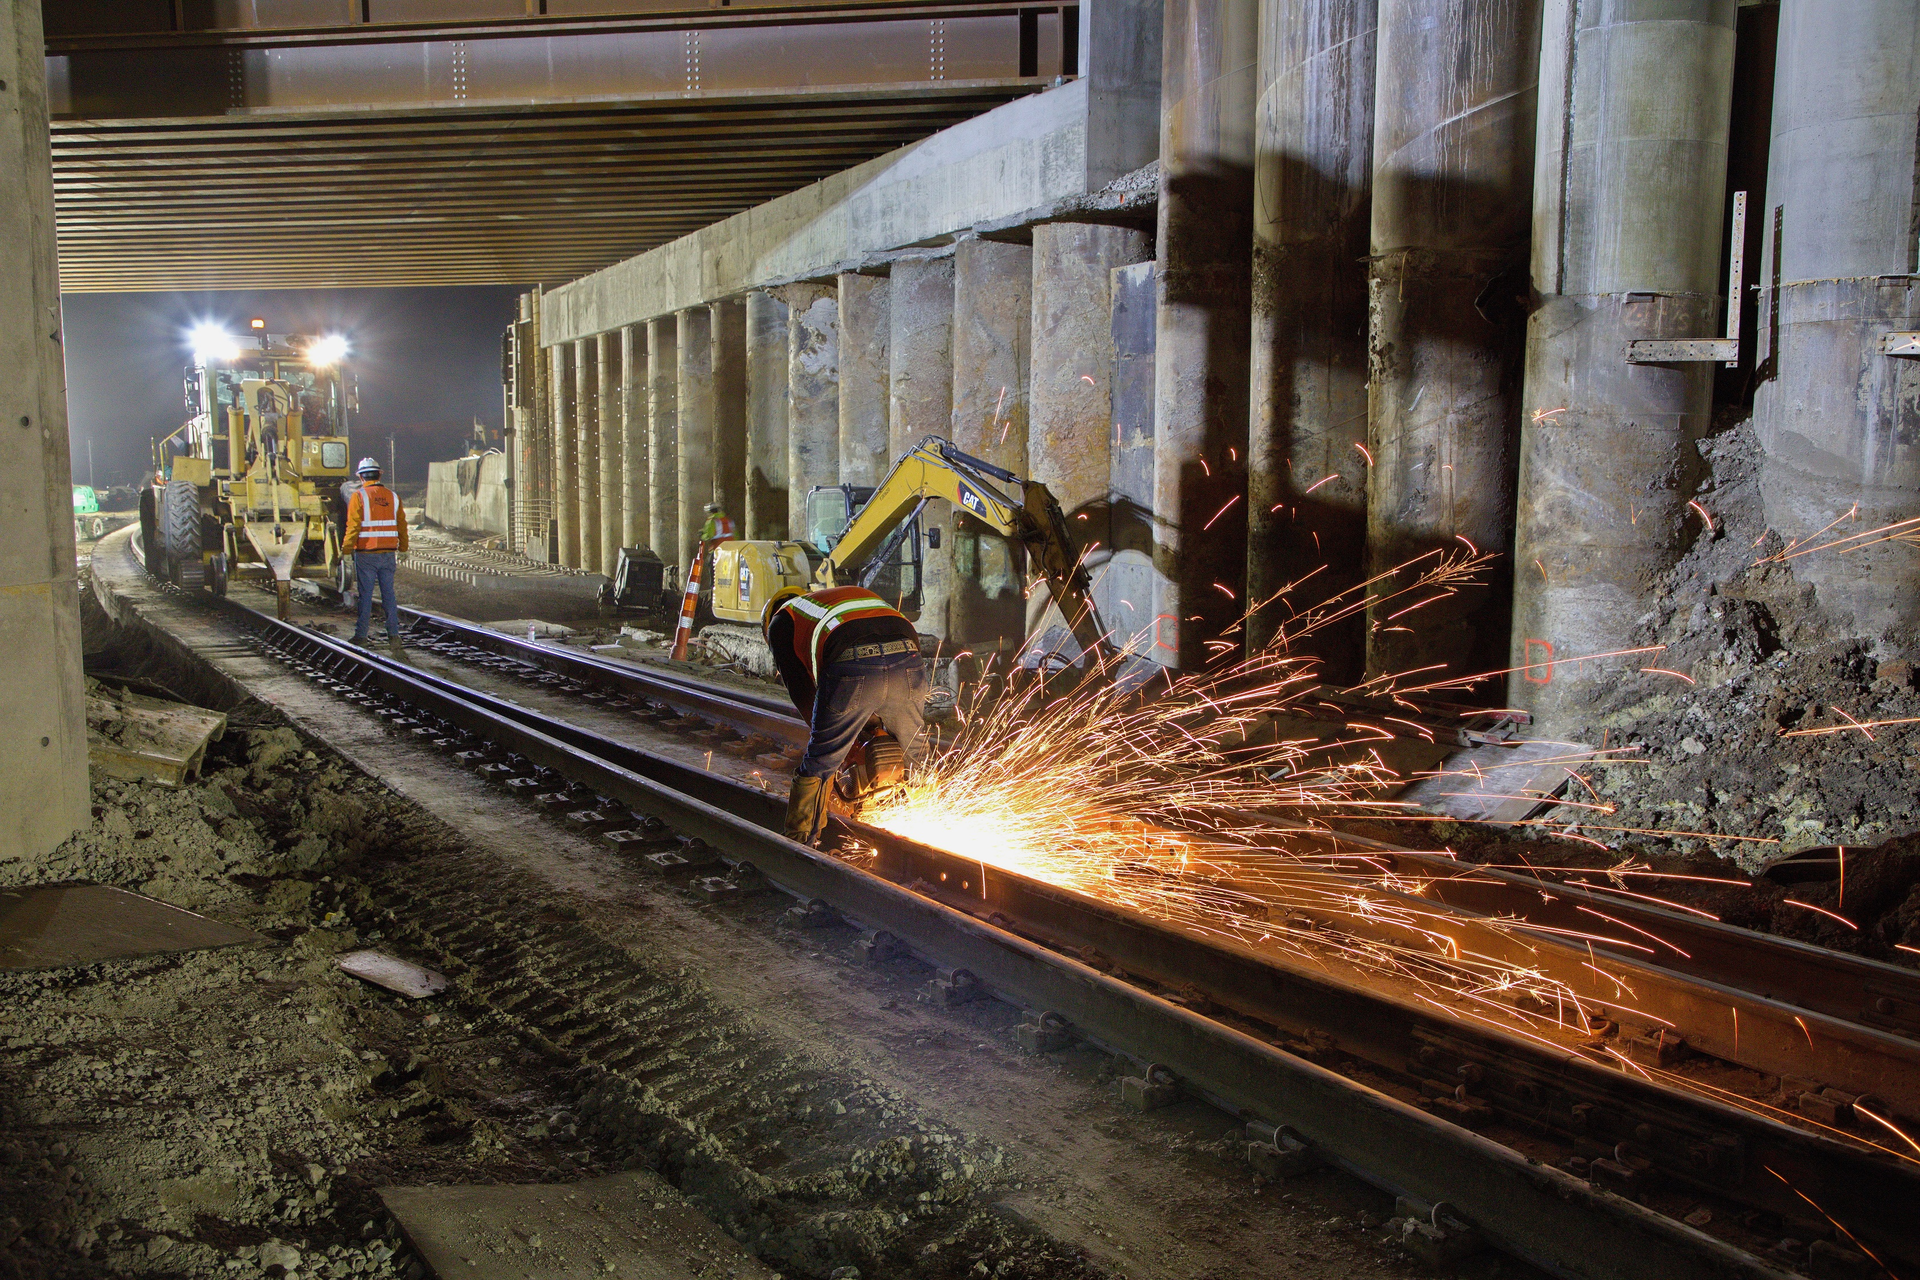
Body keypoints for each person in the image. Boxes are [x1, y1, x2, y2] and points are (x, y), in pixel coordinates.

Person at [764, 585, 926, 845]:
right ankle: (924, 826)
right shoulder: (835, 601)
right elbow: (891, 664)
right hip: (908, 658)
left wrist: (842, 743)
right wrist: (871, 725)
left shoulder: (782, 621)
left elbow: (805, 697)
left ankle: (801, 839)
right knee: (916, 752)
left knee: (821, 759)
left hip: (852, 661)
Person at [343, 457, 408, 647]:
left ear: (361, 477)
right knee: (389, 594)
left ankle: (361, 635)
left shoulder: (359, 496)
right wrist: (403, 548)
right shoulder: (393, 497)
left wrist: (347, 550)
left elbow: (353, 526)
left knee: (365, 596)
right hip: (388, 555)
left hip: (366, 555)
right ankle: (394, 636)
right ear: (379, 474)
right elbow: (402, 525)